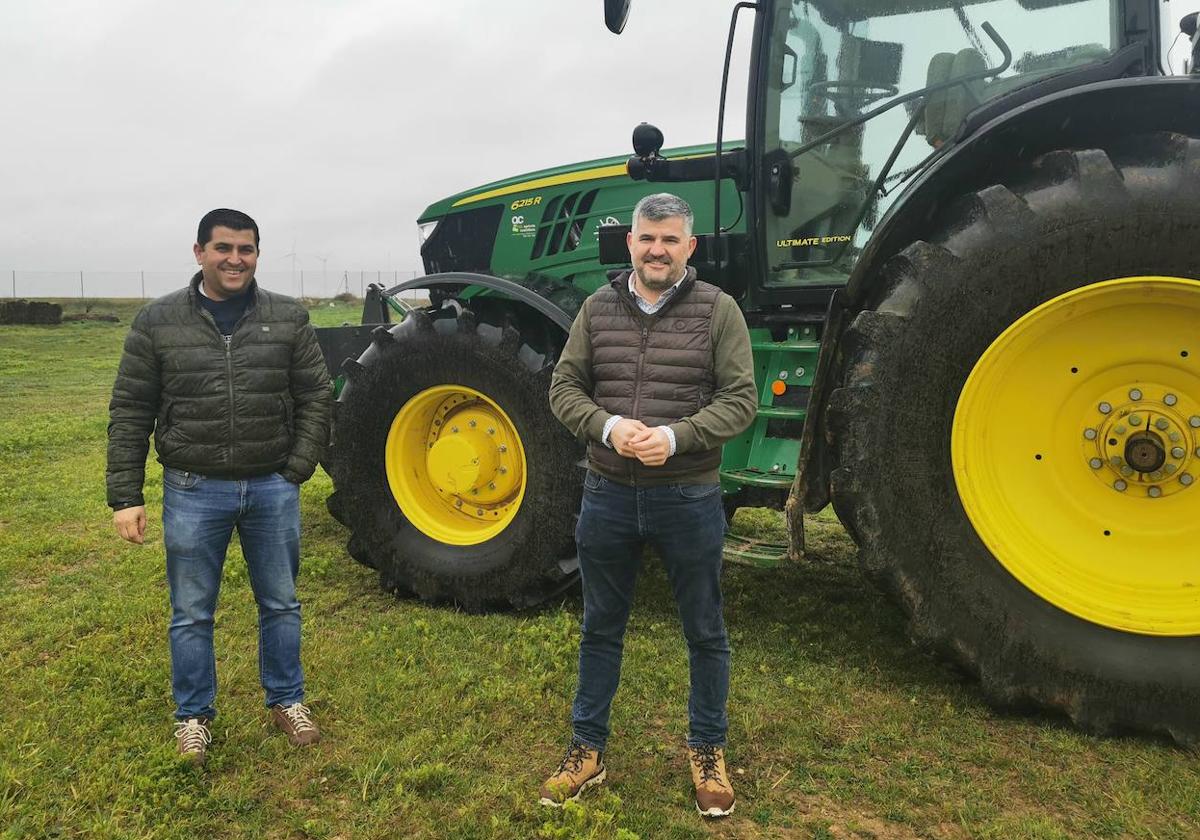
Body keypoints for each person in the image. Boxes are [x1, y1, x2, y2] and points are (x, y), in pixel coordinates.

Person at [542, 193, 757, 817]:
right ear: (630, 244)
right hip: (607, 492)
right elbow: (565, 386)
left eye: (669, 240)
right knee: (600, 626)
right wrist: (608, 428)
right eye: (646, 238)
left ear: (689, 248)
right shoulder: (597, 308)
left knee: (705, 629)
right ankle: (587, 751)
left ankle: (708, 751)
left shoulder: (720, 311)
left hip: (688, 496)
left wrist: (673, 437)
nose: (656, 249)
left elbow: (740, 400)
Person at [106, 208, 332, 765]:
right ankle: (193, 716)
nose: (235, 259)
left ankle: (286, 699)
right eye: (224, 248)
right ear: (199, 251)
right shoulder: (157, 323)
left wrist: (296, 468)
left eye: (247, 249)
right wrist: (126, 496)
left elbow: (317, 395)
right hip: (192, 487)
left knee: (280, 603)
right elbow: (131, 410)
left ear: (257, 255)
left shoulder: (287, 317)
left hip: (271, 487)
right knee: (191, 611)